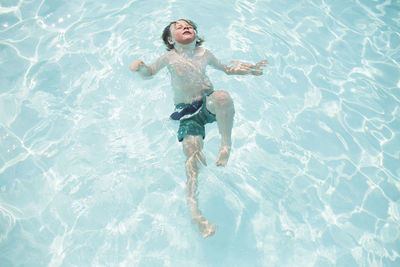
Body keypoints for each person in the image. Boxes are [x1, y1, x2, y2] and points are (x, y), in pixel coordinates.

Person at [130, 19, 267, 238]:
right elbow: (151, 73)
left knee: (223, 97)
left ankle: (225, 143)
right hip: (188, 113)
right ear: (170, 39)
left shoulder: (204, 53)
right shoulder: (169, 58)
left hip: (208, 103)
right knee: (192, 160)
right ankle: (196, 214)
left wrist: (249, 70)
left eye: (189, 26)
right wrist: (141, 68)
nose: (186, 28)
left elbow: (227, 69)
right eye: (179, 27)